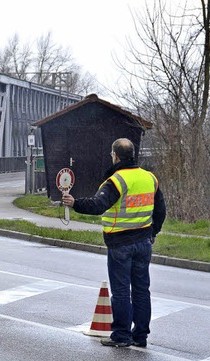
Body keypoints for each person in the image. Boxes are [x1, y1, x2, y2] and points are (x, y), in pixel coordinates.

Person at [61, 138, 166, 348]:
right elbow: (160, 210)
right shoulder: (149, 178)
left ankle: (121, 335)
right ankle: (140, 336)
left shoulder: (116, 181)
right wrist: (154, 231)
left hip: (120, 243)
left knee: (120, 291)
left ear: (115, 156)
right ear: (133, 154)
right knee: (141, 290)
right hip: (144, 241)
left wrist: (75, 203)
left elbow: (99, 205)